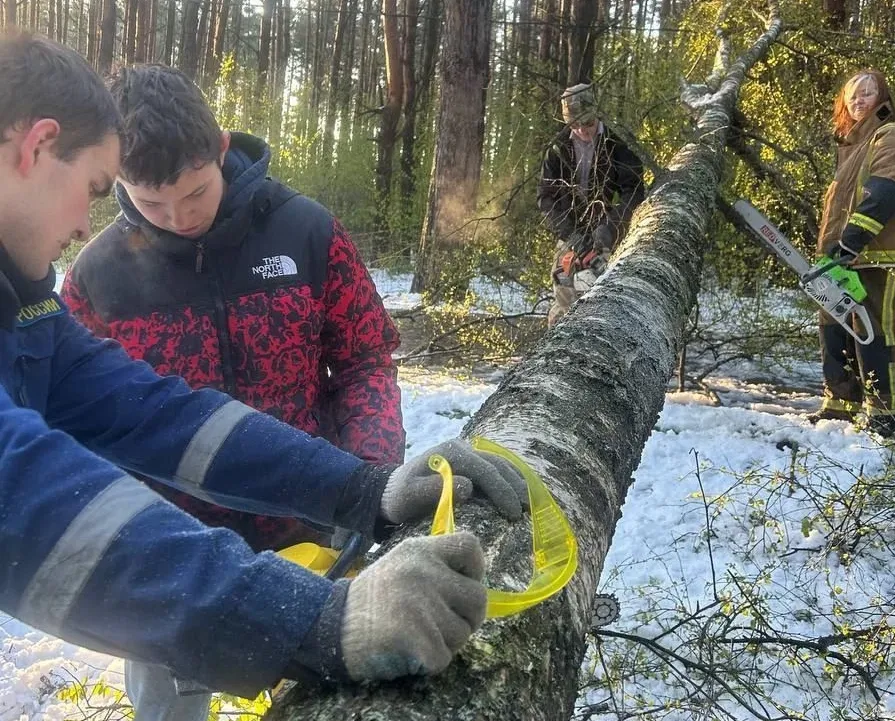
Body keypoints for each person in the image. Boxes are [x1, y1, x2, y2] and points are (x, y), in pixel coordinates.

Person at [0, 31, 528, 713]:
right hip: (184, 565)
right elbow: (30, 502)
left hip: (280, 548)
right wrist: (309, 621)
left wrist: (365, 487)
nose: (85, 224)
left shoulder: (25, 305)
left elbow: (157, 413)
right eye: (100, 189)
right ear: (37, 147)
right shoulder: (80, 277)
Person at [59, 62, 409, 720]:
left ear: (221, 148)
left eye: (194, 193)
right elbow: (79, 422)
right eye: (150, 201)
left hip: (309, 525)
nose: (177, 217)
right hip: (171, 554)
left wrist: (367, 465)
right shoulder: (97, 276)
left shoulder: (306, 232)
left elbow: (364, 356)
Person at [808, 70, 895, 437]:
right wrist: (833, 251)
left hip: (880, 253)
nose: (859, 101)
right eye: (853, 95)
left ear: (882, 98)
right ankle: (840, 405)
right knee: (833, 326)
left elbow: (885, 193)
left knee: (874, 329)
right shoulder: (851, 147)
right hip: (842, 257)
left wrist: (851, 241)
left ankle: (887, 414)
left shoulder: (890, 137)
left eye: (868, 93)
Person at [537, 83, 645, 327]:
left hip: (606, 229)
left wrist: (610, 228)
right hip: (571, 232)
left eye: (587, 123)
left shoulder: (616, 143)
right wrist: (569, 233)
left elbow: (634, 191)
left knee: (599, 300)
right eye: (575, 125)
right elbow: (545, 198)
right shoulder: (558, 148)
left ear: (595, 112)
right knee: (564, 290)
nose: (582, 130)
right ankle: (556, 349)